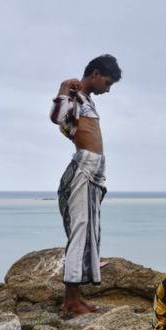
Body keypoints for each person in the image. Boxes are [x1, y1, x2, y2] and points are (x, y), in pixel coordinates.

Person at [50, 54, 122, 316]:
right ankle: (71, 301)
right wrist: (62, 89)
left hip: (93, 171)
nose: (108, 88)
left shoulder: (86, 99)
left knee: (88, 231)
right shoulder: (74, 94)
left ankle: (76, 299)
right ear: (95, 73)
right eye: (107, 82)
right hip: (83, 168)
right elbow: (58, 118)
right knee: (81, 231)